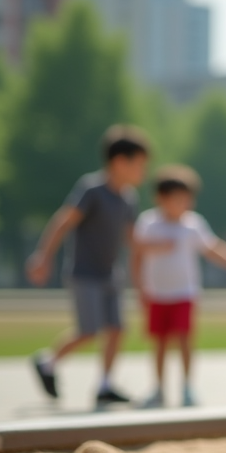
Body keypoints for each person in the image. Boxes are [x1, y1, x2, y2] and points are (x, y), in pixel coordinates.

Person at [27, 125, 149, 407]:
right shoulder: (92, 189)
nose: (143, 172)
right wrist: (42, 256)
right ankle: (47, 362)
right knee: (89, 330)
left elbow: (133, 239)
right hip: (85, 272)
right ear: (120, 162)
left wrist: (161, 248)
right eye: (139, 165)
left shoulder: (128, 198)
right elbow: (63, 221)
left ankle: (105, 384)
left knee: (117, 328)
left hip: (110, 273)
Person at [131, 165, 226, 408]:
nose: (182, 204)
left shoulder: (192, 224)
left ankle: (187, 388)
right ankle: (158, 389)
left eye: (186, 199)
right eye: (176, 199)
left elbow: (212, 249)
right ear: (160, 198)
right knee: (160, 342)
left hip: (184, 293)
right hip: (157, 293)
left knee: (185, 340)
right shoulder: (148, 223)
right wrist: (140, 287)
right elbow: (136, 254)